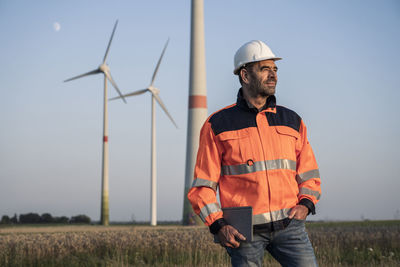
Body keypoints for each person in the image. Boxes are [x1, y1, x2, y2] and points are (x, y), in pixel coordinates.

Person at [187, 40, 321, 267]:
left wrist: (305, 204)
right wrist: (218, 226)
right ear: (245, 75)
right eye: (265, 69)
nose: (273, 75)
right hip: (243, 233)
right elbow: (203, 186)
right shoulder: (218, 124)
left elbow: (309, 172)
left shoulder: (292, 120)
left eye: (275, 69)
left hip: (290, 226)